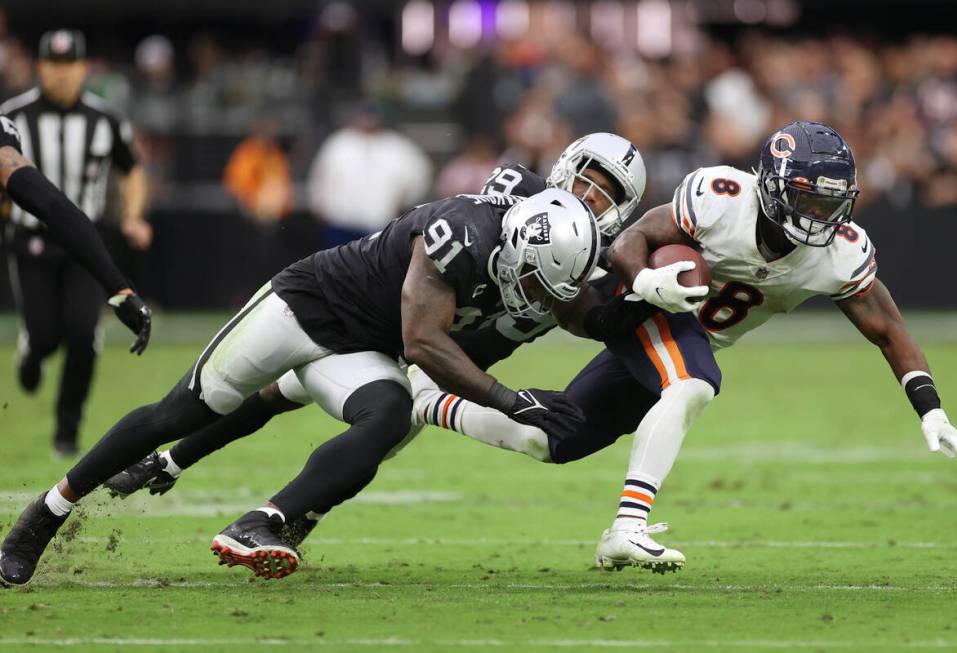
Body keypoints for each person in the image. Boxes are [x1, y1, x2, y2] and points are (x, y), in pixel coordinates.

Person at [0, 178, 657, 586]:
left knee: (389, 418)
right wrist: (512, 401)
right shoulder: (462, 230)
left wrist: (649, 301)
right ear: (516, 243)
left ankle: (262, 522)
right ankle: (43, 515)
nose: (537, 295)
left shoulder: (545, 248)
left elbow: (579, 308)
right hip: (305, 307)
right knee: (179, 411)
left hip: (361, 347)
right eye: (534, 278)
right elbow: (423, 341)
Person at [408, 120, 957, 573]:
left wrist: (931, 408)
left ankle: (429, 402)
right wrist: (646, 280)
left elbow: (887, 326)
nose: (818, 216)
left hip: (686, 333)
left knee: (553, 438)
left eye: (829, 204)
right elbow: (634, 240)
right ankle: (628, 528)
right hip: (642, 306)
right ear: (773, 187)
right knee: (692, 383)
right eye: (806, 200)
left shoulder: (841, 252)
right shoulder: (722, 197)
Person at [1, 29, 152, 455]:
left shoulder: (105, 118)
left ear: (84, 68)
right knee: (47, 334)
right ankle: (34, 348)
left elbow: (132, 168)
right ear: (40, 67)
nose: (62, 74)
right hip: (31, 241)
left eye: (70, 65)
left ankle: (67, 432)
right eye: (54, 64)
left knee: (83, 335)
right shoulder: (14, 116)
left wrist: (133, 216)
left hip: (83, 240)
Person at [307, 102, 432, 248]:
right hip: (339, 221)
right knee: (337, 267)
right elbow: (320, 176)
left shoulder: (398, 146)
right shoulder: (339, 143)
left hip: (378, 224)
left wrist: (404, 202)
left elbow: (419, 176)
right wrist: (318, 204)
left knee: (374, 268)